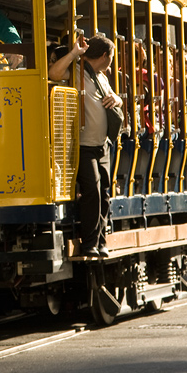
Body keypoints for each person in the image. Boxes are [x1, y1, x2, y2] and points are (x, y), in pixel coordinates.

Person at [49, 34, 122, 258]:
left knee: (105, 193)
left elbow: (113, 97)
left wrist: (117, 100)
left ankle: (101, 241)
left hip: (102, 146)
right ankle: (89, 242)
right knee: (92, 191)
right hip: (83, 145)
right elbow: (53, 74)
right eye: (112, 57)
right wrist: (74, 53)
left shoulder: (102, 77)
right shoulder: (77, 71)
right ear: (104, 55)